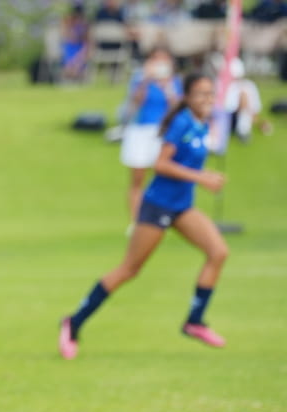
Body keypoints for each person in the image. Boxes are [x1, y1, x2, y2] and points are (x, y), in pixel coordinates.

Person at [59, 73, 230, 359]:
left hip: (182, 207)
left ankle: (194, 321)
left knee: (218, 252)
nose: (207, 100)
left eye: (210, 94)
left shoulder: (202, 125)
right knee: (129, 269)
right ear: (187, 97)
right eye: (201, 94)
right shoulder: (182, 123)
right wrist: (202, 177)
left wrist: (203, 177)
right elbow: (160, 165)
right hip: (158, 207)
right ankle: (73, 323)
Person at [119, 47, 181, 224]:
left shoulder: (174, 82)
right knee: (138, 179)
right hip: (140, 130)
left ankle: (162, 217)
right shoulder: (141, 80)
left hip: (163, 132)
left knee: (163, 176)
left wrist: (167, 87)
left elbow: (177, 108)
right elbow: (134, 103)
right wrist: (146, 80)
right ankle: (137, 221)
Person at [223, 57, 272, 142]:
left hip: (242, 117)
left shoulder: (249, 86)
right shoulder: (226, 86)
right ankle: (242, 132)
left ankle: (243, 132)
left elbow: (253, 112)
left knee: (244, 97)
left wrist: (259, 123)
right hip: (228, 119)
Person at [60, 3, 90, 82]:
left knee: (84, 50)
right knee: (69, 51)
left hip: (81, 46)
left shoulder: (85, 24)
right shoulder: (68, 22)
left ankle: (75, 73)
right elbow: (66, 35)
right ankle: (71, 72)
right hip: (70, 46)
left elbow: (87, 39)